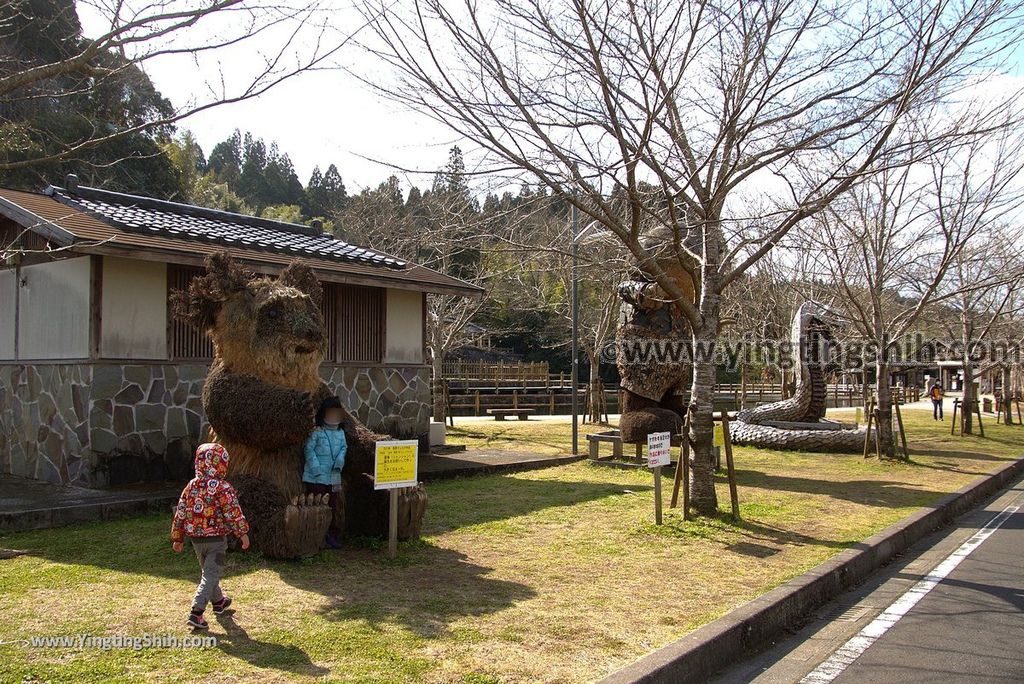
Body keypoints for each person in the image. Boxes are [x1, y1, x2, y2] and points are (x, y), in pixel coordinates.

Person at [171, 442, 250, 631]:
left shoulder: (191, 486)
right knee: (210, 574)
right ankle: (196, 612)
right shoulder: (223, 487)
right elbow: (233, 512)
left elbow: (181, 511)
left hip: (196, 541)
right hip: (216, 542)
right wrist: (243, 533)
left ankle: (219, 602)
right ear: (222, 463)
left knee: (209, 573)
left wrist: (178, 536)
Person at [303, 396, 348, 549]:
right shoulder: (316, 431)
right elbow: (308, 449)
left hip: (334, 477)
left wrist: (340, 461)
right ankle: (315, 537)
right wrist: (315, 469)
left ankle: (331, 536)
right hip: (316, 478)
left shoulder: (341, 433)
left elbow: (344, 448)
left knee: (332, 507)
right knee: (316, 506)